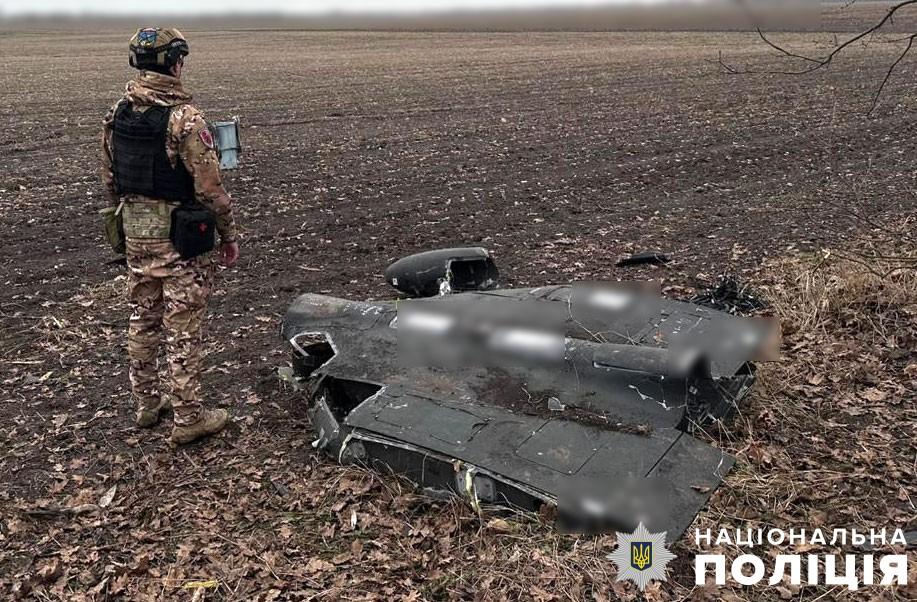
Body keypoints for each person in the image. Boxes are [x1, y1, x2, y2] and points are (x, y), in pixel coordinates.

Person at [100, 27, 240, 444]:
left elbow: (110, 179)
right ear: (175, 62)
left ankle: (146, 405)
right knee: (182, 327)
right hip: (181, 242)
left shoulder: (118, 113)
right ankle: (188, 418)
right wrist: (228, 234)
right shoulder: (185, 119)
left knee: (142, 320)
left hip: (136, 237)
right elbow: (210, 190)